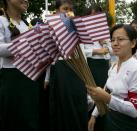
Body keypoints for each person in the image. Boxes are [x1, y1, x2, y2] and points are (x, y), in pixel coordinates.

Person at [88, 24, 137, 131]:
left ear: (133, 43)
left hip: (128, 125)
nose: (115, 44)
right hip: (111, 122)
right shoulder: (114, 66)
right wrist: (94, 115)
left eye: (120, 39)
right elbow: (106, 90)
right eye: (112, 40)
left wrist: (107, 98)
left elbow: (134, 110)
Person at [0, 0, 45, 131]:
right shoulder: (1, 21)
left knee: (30, 118)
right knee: (13, 120)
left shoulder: (25, 25)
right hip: (12, 79)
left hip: (30, 78)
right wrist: (25, 44)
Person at [47, 1, 88, 131]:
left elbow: (82, 52)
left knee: (78, 104)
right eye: (65, 9)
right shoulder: (50, 28)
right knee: (63, 108)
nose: (68, 12)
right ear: (57, 11)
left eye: (71, 9)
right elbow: (48, 57)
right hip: (60, 71)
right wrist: (47, 78)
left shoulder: (77, 27)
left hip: (78, 70)